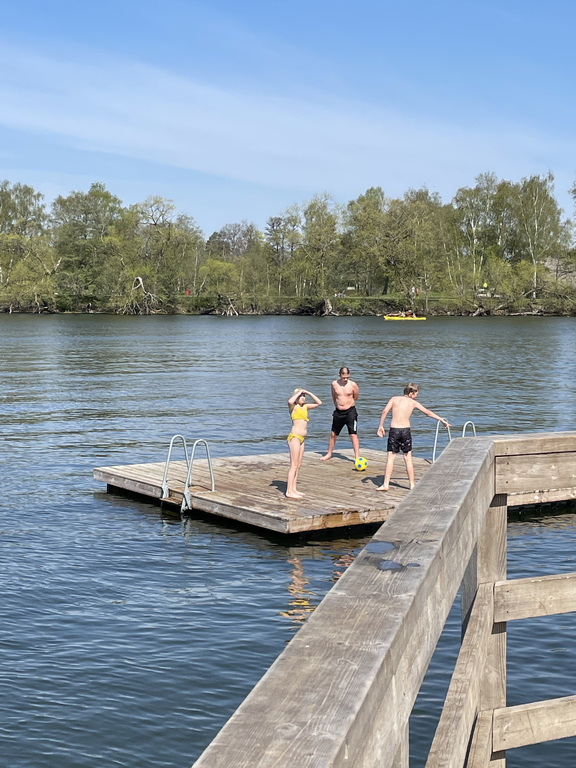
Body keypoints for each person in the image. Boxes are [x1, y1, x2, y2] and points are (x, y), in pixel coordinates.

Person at [376, 382, 450, 492]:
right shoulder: (413, 403)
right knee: (408, 458)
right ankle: (412, 485)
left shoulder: (394, 399)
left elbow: (384, 411)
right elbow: (428, 413)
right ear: (411, 393)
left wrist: (381, 426)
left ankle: (386, 484)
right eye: (416, 394)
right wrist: (441, 420)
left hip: (394, 430)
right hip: (405, 430)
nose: (416, 396)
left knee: (391, 457)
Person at [286, 388, 322, 499]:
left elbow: (319, 403)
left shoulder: (305, 407)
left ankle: (294, 489)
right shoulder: (294, 407)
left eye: (303, 396)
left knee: (298, 465)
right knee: (293, 465)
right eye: (300, 396)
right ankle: (289, 491)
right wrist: (297, 393)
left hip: (302, 439)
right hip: (295, 438)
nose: (302, 397)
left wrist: (309, 392)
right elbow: (290, 402)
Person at [321, 366, 360, 461]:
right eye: (343, 378)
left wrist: (347, 402)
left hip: (350, 411)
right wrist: (338, 405)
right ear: (340, 375)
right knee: (333, 434)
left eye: (347, 377)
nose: (345, 379)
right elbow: (334, 396)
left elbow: (356, 396)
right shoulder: (334, 384)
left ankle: (357, 456)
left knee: (353, 434)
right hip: (338, 412)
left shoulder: (353, 385)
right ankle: (329, 453)